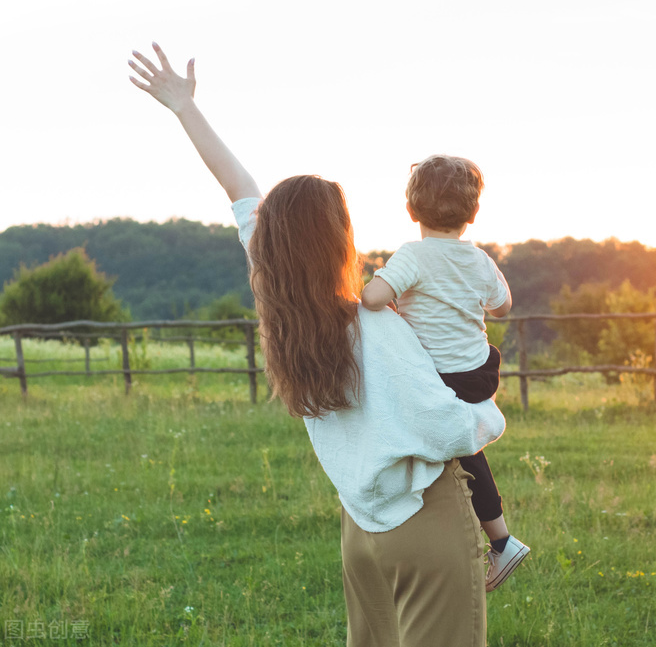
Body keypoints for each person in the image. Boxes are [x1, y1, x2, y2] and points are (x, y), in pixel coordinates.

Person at [129, 43, 506, 647]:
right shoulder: (375, 328)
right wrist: (489, 410)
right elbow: (450, 431)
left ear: (276, 247)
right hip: (425, 527)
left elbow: (242, 191)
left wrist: (185, 110)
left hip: (360, 534)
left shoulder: (287, 315)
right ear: (338, 244)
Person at [361, 155, 530, 592]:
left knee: (442, 443)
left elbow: (372, 298)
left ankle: (497, 540)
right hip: (477, 372)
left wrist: (394, 291)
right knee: (469, 453)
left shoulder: (413, 256)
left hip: (437, 379)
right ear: (473, 213)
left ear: (411, 209)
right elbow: (504, 307)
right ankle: (498, 539)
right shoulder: (480, 260)